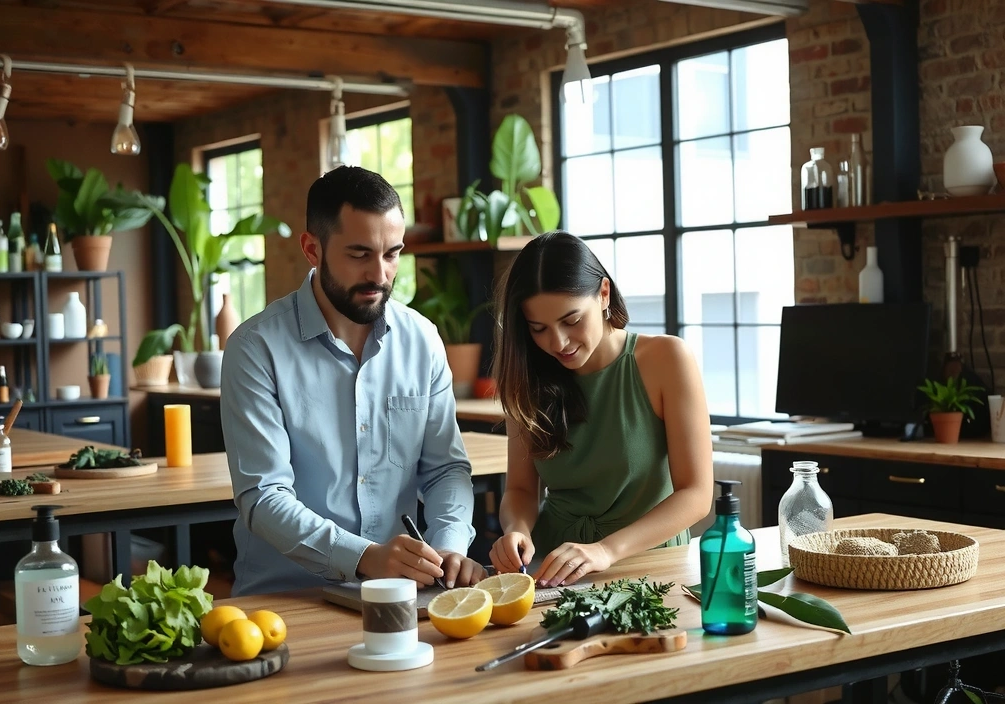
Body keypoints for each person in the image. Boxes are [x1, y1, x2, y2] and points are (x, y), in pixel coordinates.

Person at [220, 166, 485, 596]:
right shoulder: (255, 348)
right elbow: (264, 497)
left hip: (403, 596)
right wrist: (363, 557)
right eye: (360, 254)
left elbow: (444, 470)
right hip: (287, 600)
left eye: (392, 253)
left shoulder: (422, 340)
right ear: (313, 249)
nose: (380, 275)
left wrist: (449, 548)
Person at [489, 231, 714, 587]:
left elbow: (697, 494)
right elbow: (520, 490)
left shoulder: (666, 359)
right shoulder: (527, 376)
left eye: (571, 320)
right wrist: (517, 531)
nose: (558, 343)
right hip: (554, 568)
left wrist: (605, 550)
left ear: (603, 294)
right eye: (539, 329)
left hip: (650, 565)